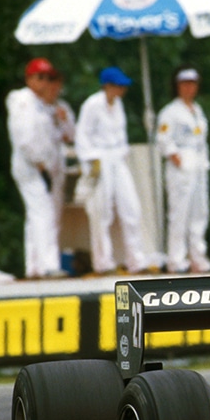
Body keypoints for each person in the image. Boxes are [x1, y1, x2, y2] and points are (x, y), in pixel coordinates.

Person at [74, 66, 149, 275]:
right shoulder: (92, 105)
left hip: (117, 158)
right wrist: (90, 161)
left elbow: (121, 134)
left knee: (131, 208)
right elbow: (83, 135)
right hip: (99, 158)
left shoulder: (118, 105)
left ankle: (137, 260)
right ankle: (102, 263)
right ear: (107, 86)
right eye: (118, 85)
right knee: (101, 211)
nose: (122, 90)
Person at [5, 57, 66, 279]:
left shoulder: (42, 105)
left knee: (35, 216)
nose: (44, 82)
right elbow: (25, 137)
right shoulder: (23, 100)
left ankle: (34, 266)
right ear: (29, 78)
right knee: (43, 213)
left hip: (41, 166)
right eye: (40, 77)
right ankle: (49, 265)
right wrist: (40, 163)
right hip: (30, 166)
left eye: (48, 78)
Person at [155, 66, 210, 273]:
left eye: (193, 84)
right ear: (178, 86)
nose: (189, 88)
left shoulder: (197, 110)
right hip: (182, 163)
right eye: (185, 84)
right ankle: (176, 260)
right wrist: (176, 157)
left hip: (198, 163)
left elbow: (201, 139)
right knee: (179, 213)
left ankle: (198, 257)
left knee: (200, 212)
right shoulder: (170, 112)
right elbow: (163, 138)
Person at [41, 70, 75, 248]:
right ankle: (40, 260)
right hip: (41, 163)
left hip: (57, 162)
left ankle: (51, 257)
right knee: (40, 211)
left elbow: (71, 136)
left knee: (55, 212)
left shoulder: (63, 107)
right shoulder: (37, 107)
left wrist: (64, 120)